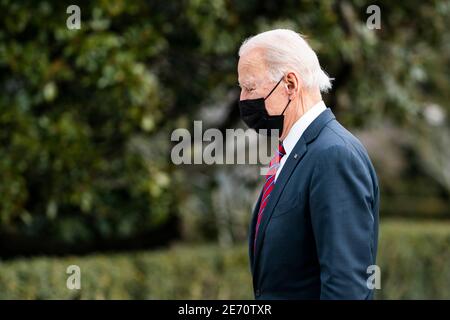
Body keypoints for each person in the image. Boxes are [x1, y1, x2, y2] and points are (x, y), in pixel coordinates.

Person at [238, 29, 380, 299]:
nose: (243, 99)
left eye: (250, 87)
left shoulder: (333, 155)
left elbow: (346, 287)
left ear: (290, 84)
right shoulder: (292, 152)